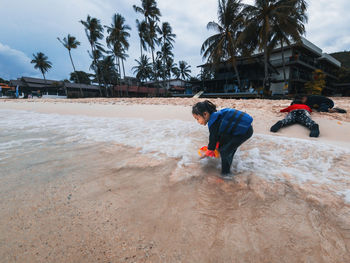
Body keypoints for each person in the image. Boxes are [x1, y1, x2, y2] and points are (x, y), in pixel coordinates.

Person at [192, 100, 253, 179]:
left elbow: (212, 141)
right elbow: (219, 135)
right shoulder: (217, 117)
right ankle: (229, 160)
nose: (198, 122)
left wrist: (204, 155)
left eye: (197, 118)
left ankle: (225, 175)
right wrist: (217, 147)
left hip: (243, 132)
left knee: (225, 151)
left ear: (205, 114)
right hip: (244, 130)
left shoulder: (213, 124)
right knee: (226, 148)